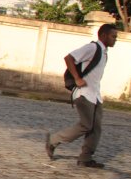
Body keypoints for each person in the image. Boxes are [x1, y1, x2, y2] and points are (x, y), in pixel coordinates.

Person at [46, 23, 118, 168]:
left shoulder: (104, 53)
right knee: (86, 125)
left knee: (95, 128)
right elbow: (68, 58)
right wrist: (77, 78)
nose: (115, 39)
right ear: (103, 35)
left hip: (95, 96)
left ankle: (85, 158)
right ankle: (53, 140)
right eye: (113, 36)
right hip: (84, 94)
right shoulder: (92, 48)